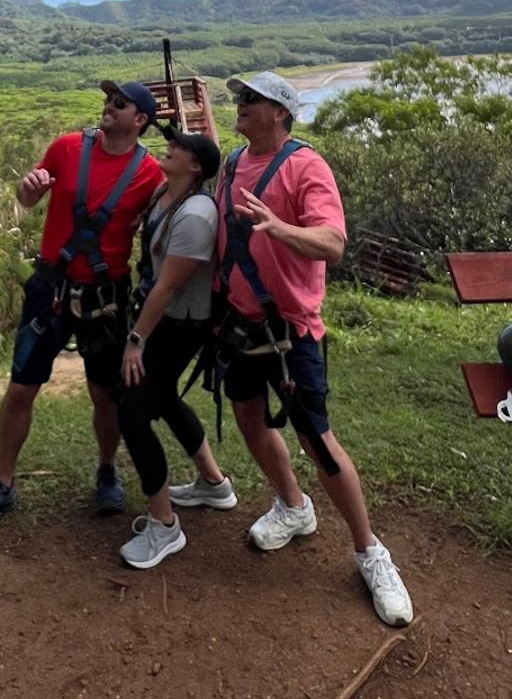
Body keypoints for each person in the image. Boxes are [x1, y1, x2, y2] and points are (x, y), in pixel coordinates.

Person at [212, 71, 414, 627]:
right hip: (240, 323)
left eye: (250, 99)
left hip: (291, 330)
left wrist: (278, 227)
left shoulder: (306, 166)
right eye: (239, 98)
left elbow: (333, 242)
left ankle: (371, 551)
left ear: (280, 111)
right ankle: (294, 508)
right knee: (250, 419)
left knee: (317, 440)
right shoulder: (232, 164)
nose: (240, 105)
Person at [0, 79, 166, 533]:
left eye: (120, 103)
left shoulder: (152, 174)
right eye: (108, 100)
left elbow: (166, 222)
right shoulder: (67, 148)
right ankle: (3, 482)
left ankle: (107, 470)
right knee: (21, 389)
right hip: (50, 288)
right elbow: (28, 196)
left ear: (141, 121)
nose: (108, 107)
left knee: (105, 395)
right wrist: (28, 189)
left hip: (106, 299)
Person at [113, 126, 236, 569]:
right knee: (161, 398)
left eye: (179, 147)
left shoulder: (197, 215)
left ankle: (164, 526)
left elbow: (166, 289)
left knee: (132, 411)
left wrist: (135, 342)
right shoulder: (166, 198)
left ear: (196, 166)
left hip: (178, 325)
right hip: (165, 320)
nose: (171, 148)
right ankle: (214, 484)